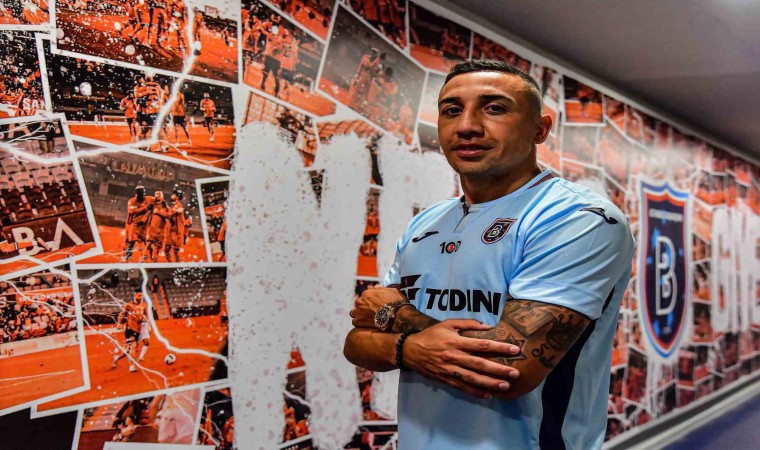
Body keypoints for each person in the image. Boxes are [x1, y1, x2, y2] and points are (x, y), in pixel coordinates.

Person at [344, 59, 635, 449]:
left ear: (540, 129)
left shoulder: (580, 218)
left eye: (494, 108)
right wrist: (409, 347)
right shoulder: (425, 223)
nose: (467, 125)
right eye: (451, 110)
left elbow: (506, 370)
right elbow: (356, 342)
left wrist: (394, 318)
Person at [113, 288, 149, 373]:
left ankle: (116, 358)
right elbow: (121, 314)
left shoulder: (144, 305)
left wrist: (145, 319)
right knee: (133, 346)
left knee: (129, 350)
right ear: (135, 295)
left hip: (138, 330)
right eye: (139, 295)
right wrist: (119, 323)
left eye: (142, 296)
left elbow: (146, 315)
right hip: (129, 328)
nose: (140, 297)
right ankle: (132, 366)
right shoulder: (128, 305)